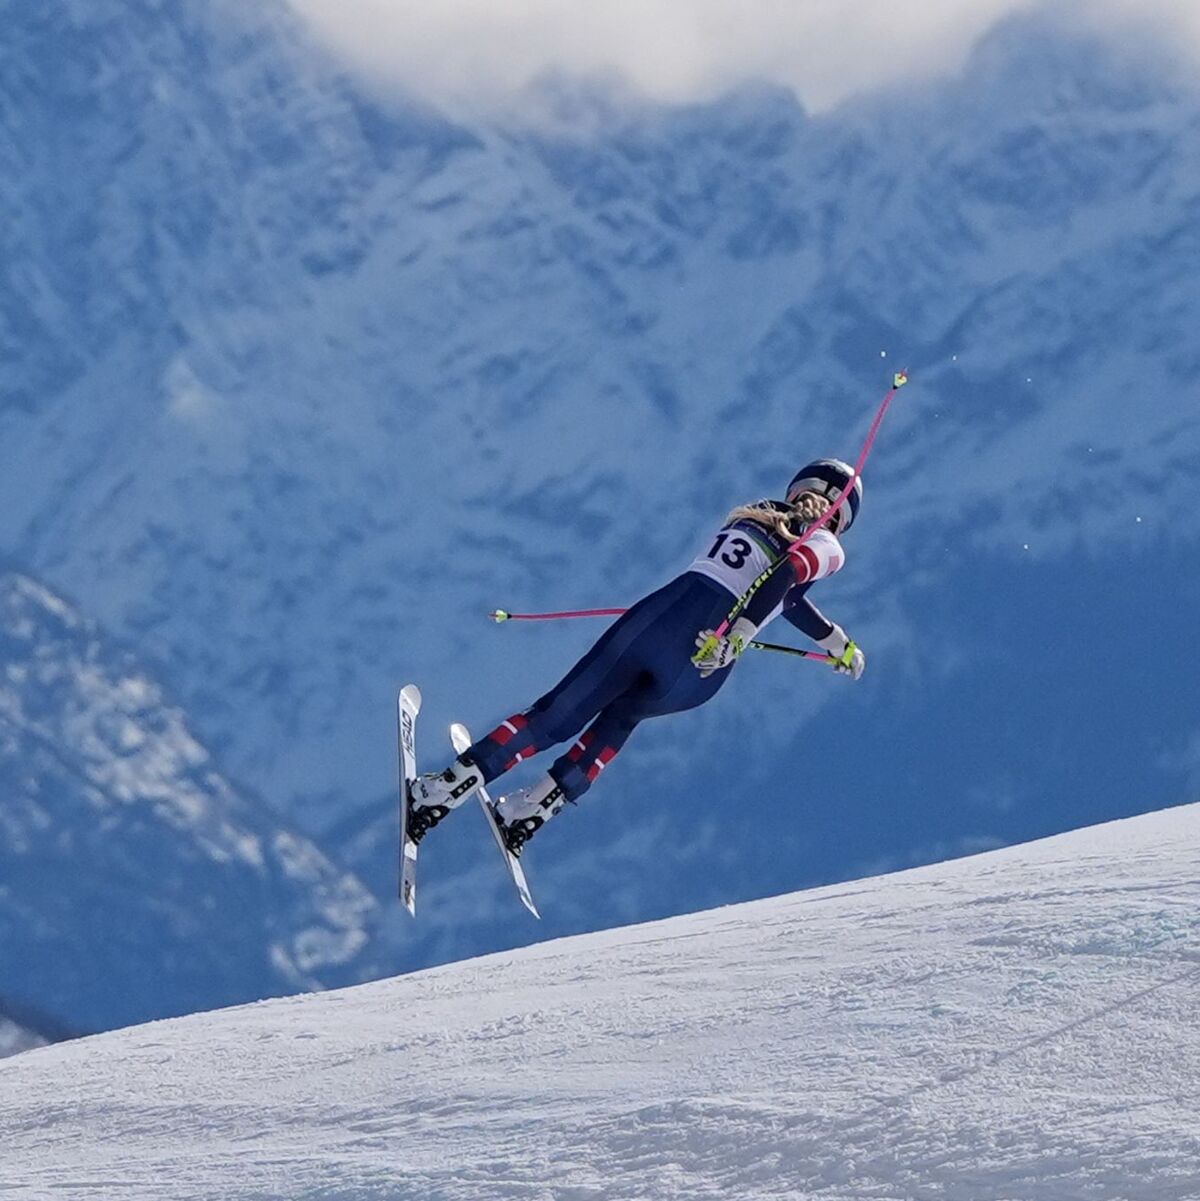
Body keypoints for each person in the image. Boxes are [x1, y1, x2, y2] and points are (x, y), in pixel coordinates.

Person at [410, 459, 867, 855]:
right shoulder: (827, 545)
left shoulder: (759, 513)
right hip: (704, 671)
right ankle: (533, 809)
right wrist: (828, 643)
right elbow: (786, 587)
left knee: (556, 717)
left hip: (666, 619)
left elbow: (783, 581)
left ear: (797, 487)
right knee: (623, 719)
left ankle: (444, 791)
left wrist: (800, 635)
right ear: (842, 518)